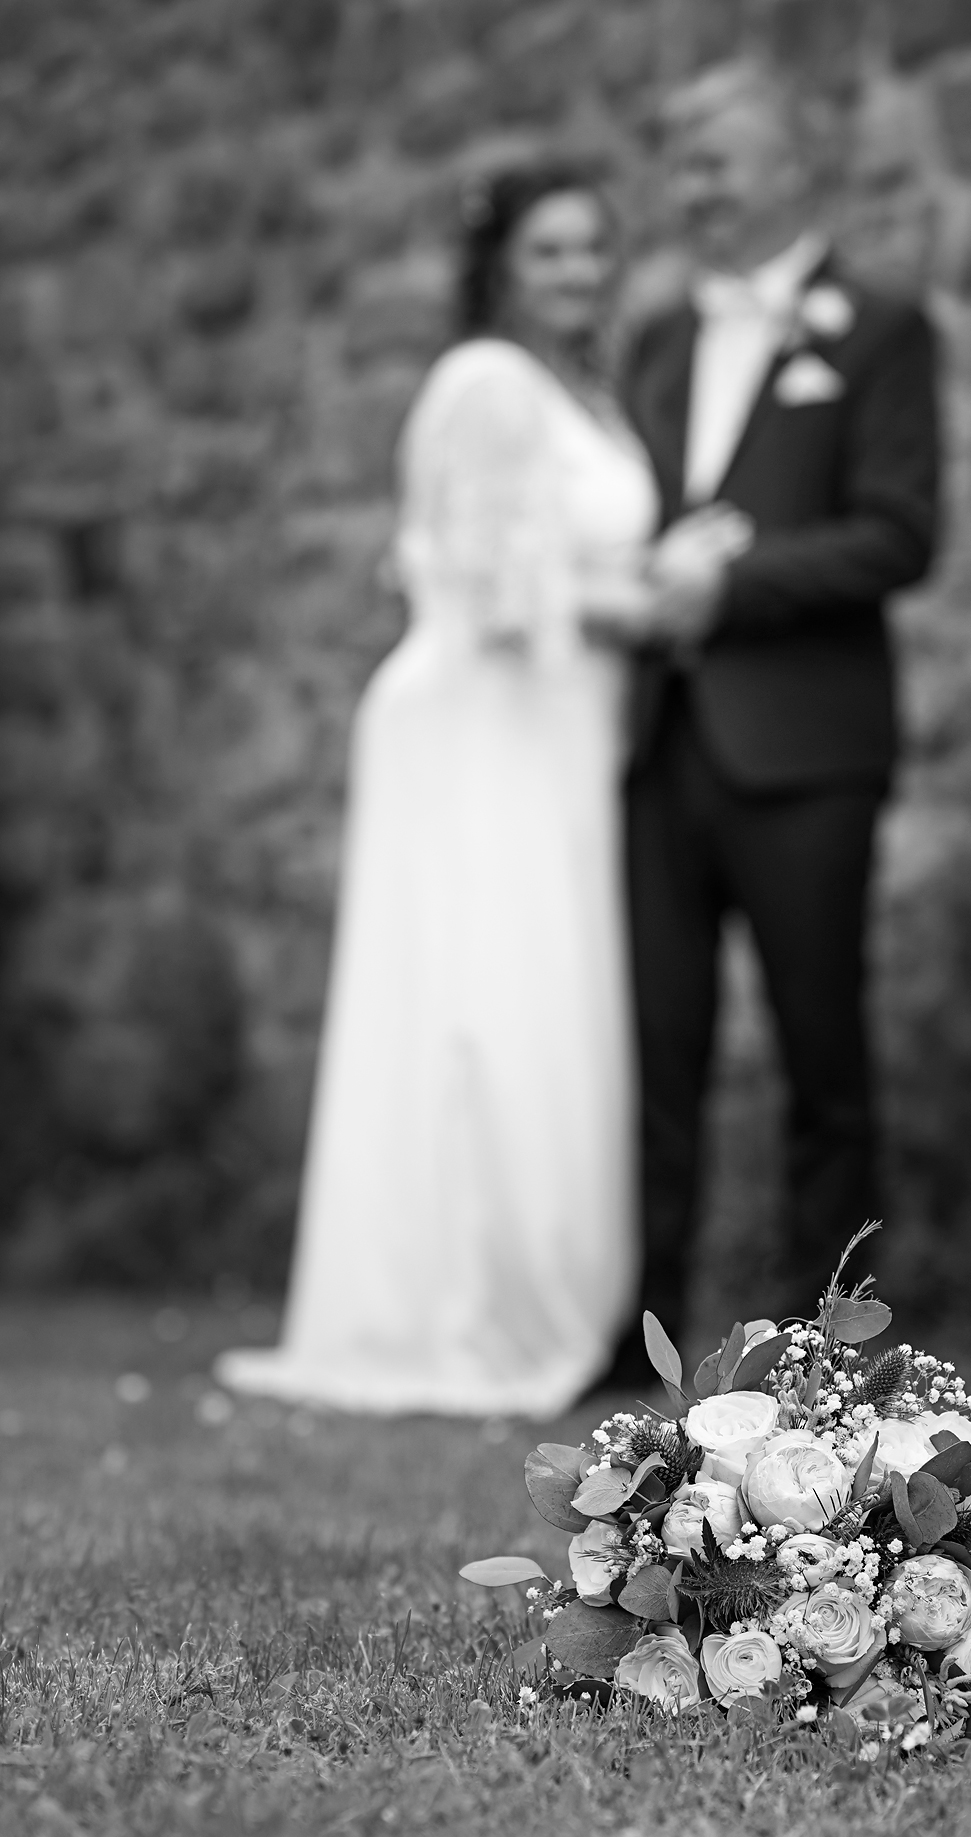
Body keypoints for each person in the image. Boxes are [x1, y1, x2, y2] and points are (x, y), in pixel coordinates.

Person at [216, 164, 662, 1417]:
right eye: (550, 250)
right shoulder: (486, 385)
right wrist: (661, 594)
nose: (579, 272)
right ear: (500, 266)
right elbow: (499, 590)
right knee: (482, 1001)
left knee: (538, 998)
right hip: (483, 729)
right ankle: (464, 1304)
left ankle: (543, 1290)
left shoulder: (586, 394)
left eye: (593, 248)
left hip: (559, 733)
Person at [608, 62, 941, 1381]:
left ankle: (830, 1358)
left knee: (821, 1058)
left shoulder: (879, 328)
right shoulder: (655, 341)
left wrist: (733, 583)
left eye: (716, 161)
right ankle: (635, 1340)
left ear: (792, 165)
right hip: (658, 745)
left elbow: (900, 534)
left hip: (806, 753)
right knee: (654, 1057)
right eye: (680, 163)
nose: (692, 187)